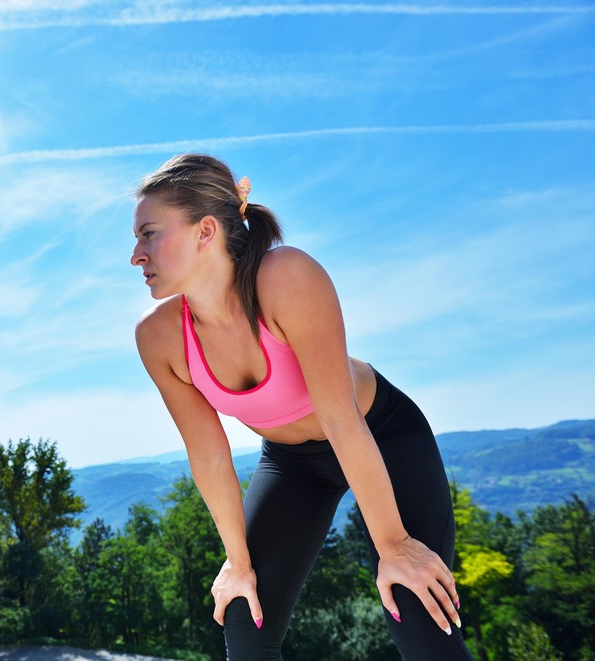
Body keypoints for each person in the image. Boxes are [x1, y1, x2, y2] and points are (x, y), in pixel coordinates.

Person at [131, 153, 474, 660]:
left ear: (205, 230)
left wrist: (394, 546)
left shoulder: (286, 276)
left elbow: (341, 419)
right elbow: (208, 456)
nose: (136, 255)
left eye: (149, 233)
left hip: (380, 436)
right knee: (246, 619)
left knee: (415, 607)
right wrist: (237, 561)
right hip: (294, 464)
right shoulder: (157, 338)